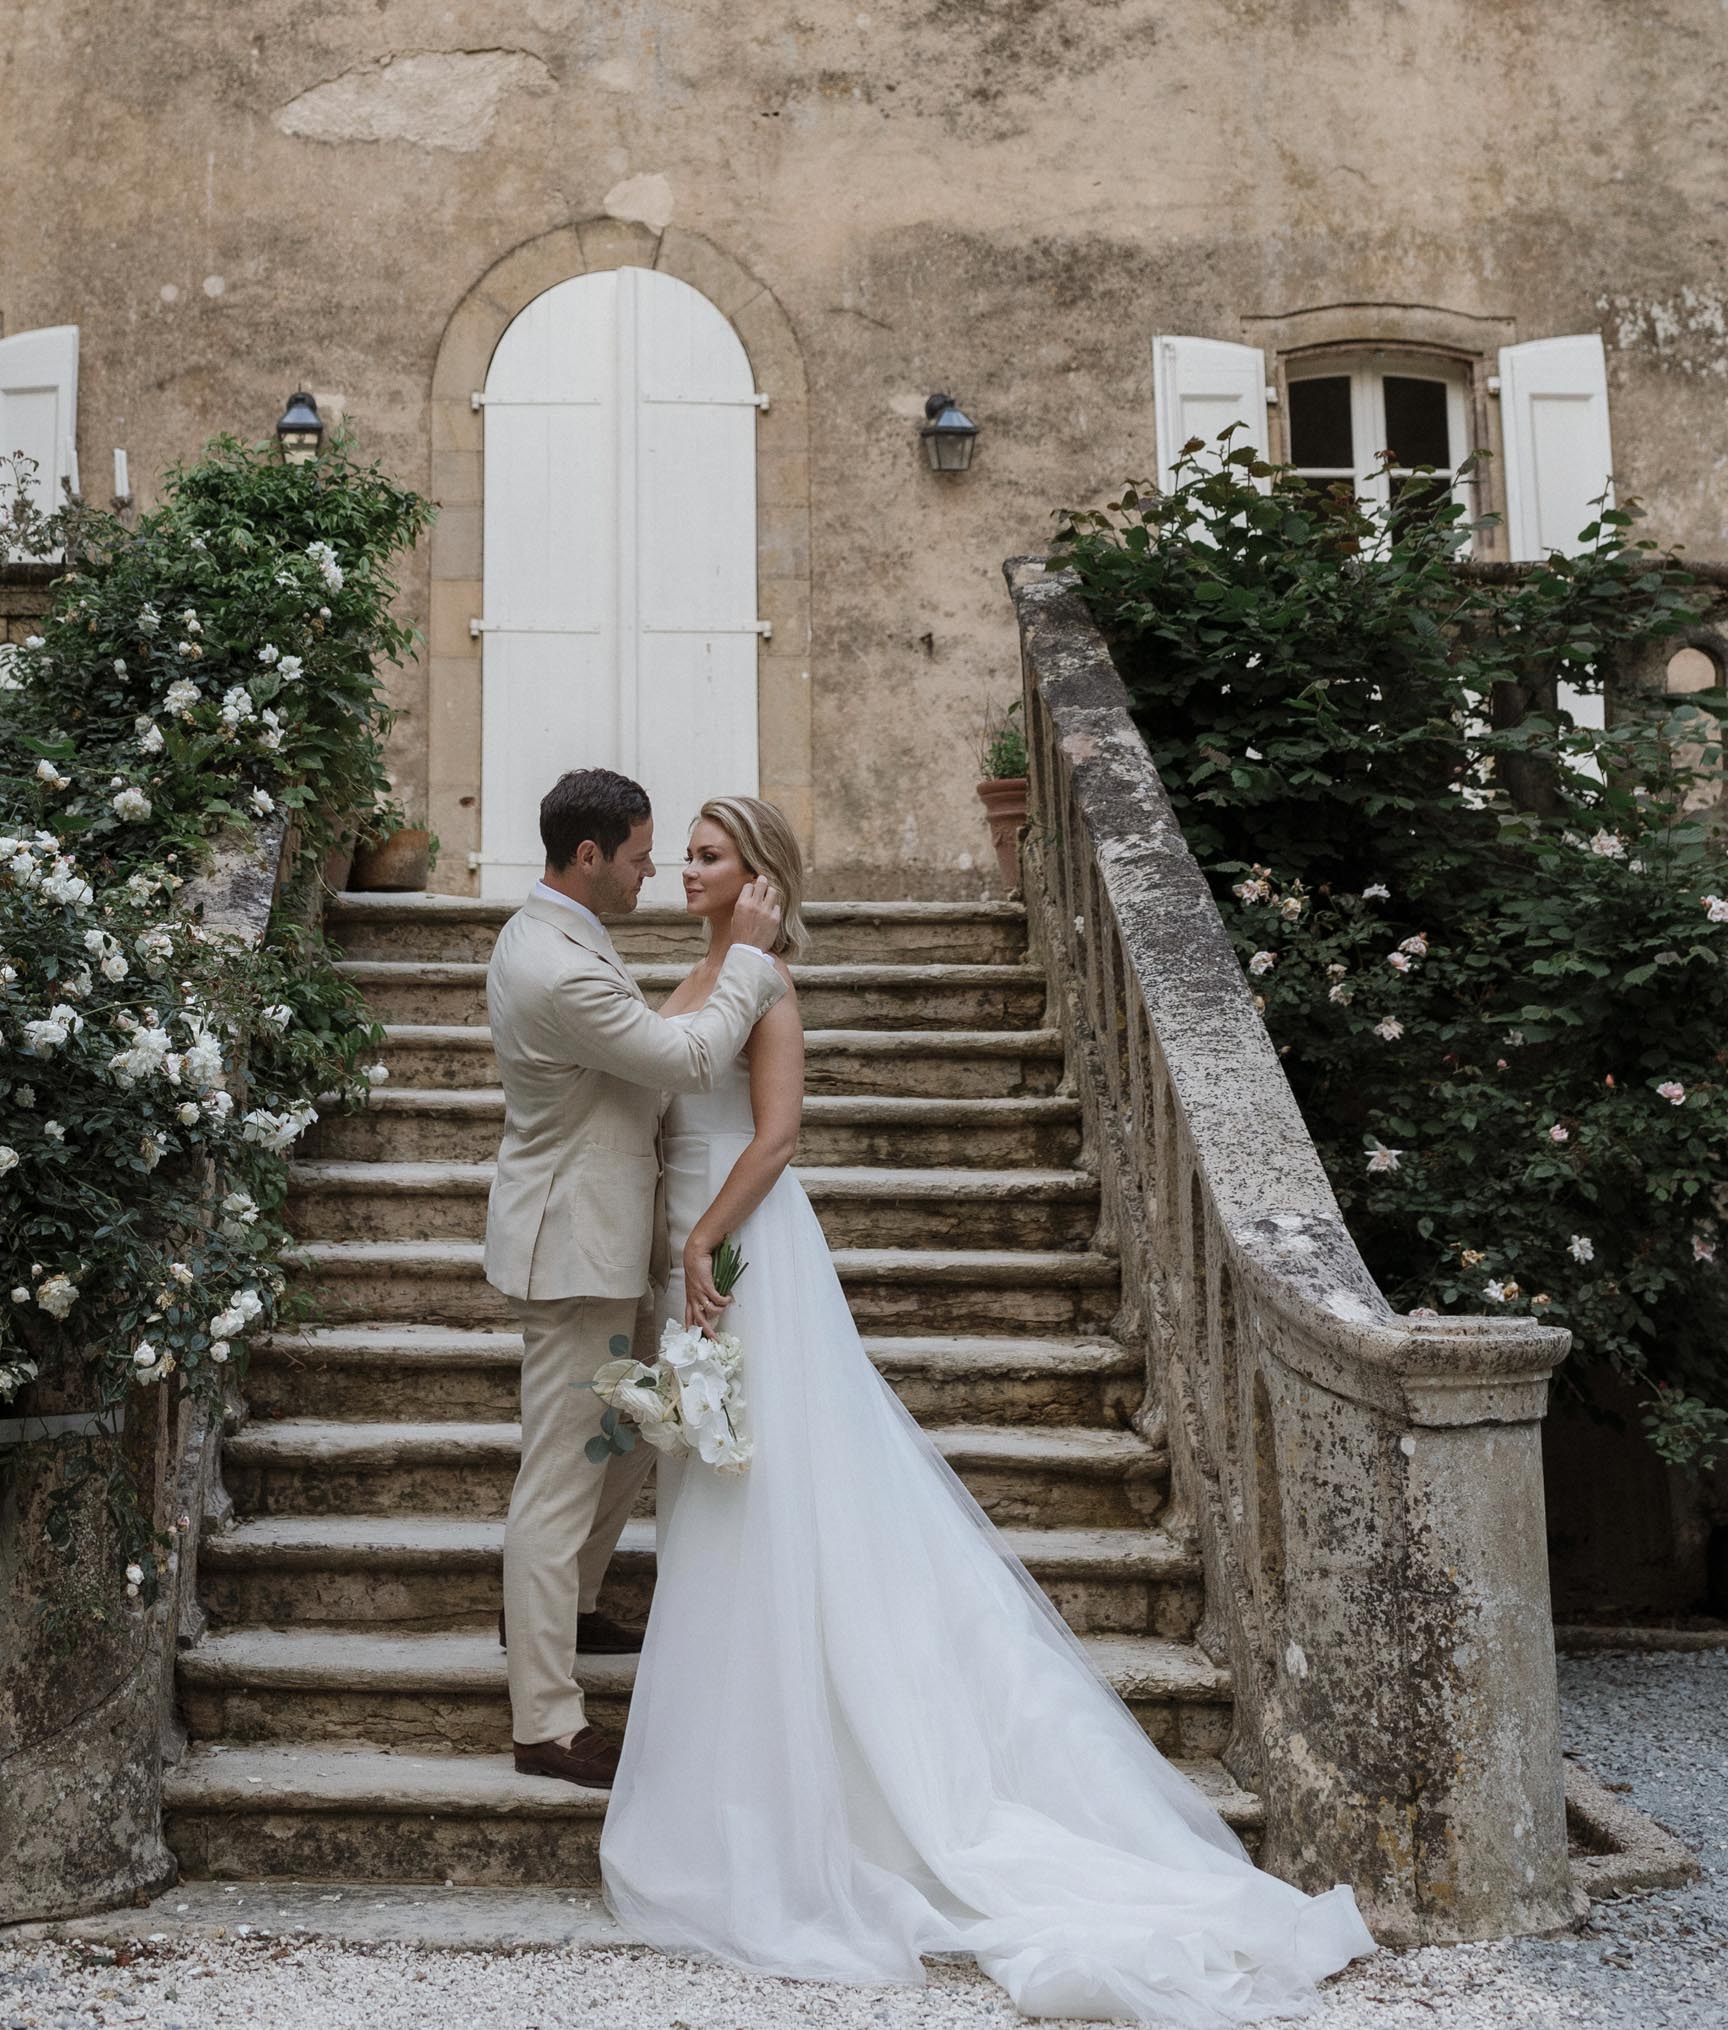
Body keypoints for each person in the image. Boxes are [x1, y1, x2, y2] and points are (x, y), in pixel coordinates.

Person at [599, 794, 1378, 2024]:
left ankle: (834, 1788)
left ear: (757, 878)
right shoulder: (697, 974)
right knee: (713, 1483)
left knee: (769, 1481)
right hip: (687, 1248)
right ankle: (736, 1771)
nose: (685, 870)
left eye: (706, 855)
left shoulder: (771, 988)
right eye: (685, 854)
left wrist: (698, 1236)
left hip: (741, 1247)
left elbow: (777, 1135)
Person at [483, 767, 785, 1788]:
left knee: (620, 1440)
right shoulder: (556, 964)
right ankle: (547, 1721)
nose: (654, 869)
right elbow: (689, 1057)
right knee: (562, 1473)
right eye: (642, 851)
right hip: (572, 1247)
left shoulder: (564, 933)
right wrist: (745, 959)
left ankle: (564, 1607)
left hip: (602, 1235)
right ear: (587, 856)